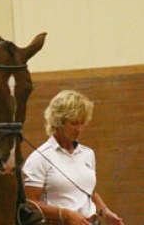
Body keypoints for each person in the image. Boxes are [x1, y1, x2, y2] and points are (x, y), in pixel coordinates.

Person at [22, 90, 124, 225]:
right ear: (58, 122)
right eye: (74, 123)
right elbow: (30, 205)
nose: (79, 129)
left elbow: (88, 191)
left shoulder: (88, 154)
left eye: (83, 123)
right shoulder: (39, 158)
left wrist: (104, 212)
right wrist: (64, 214)